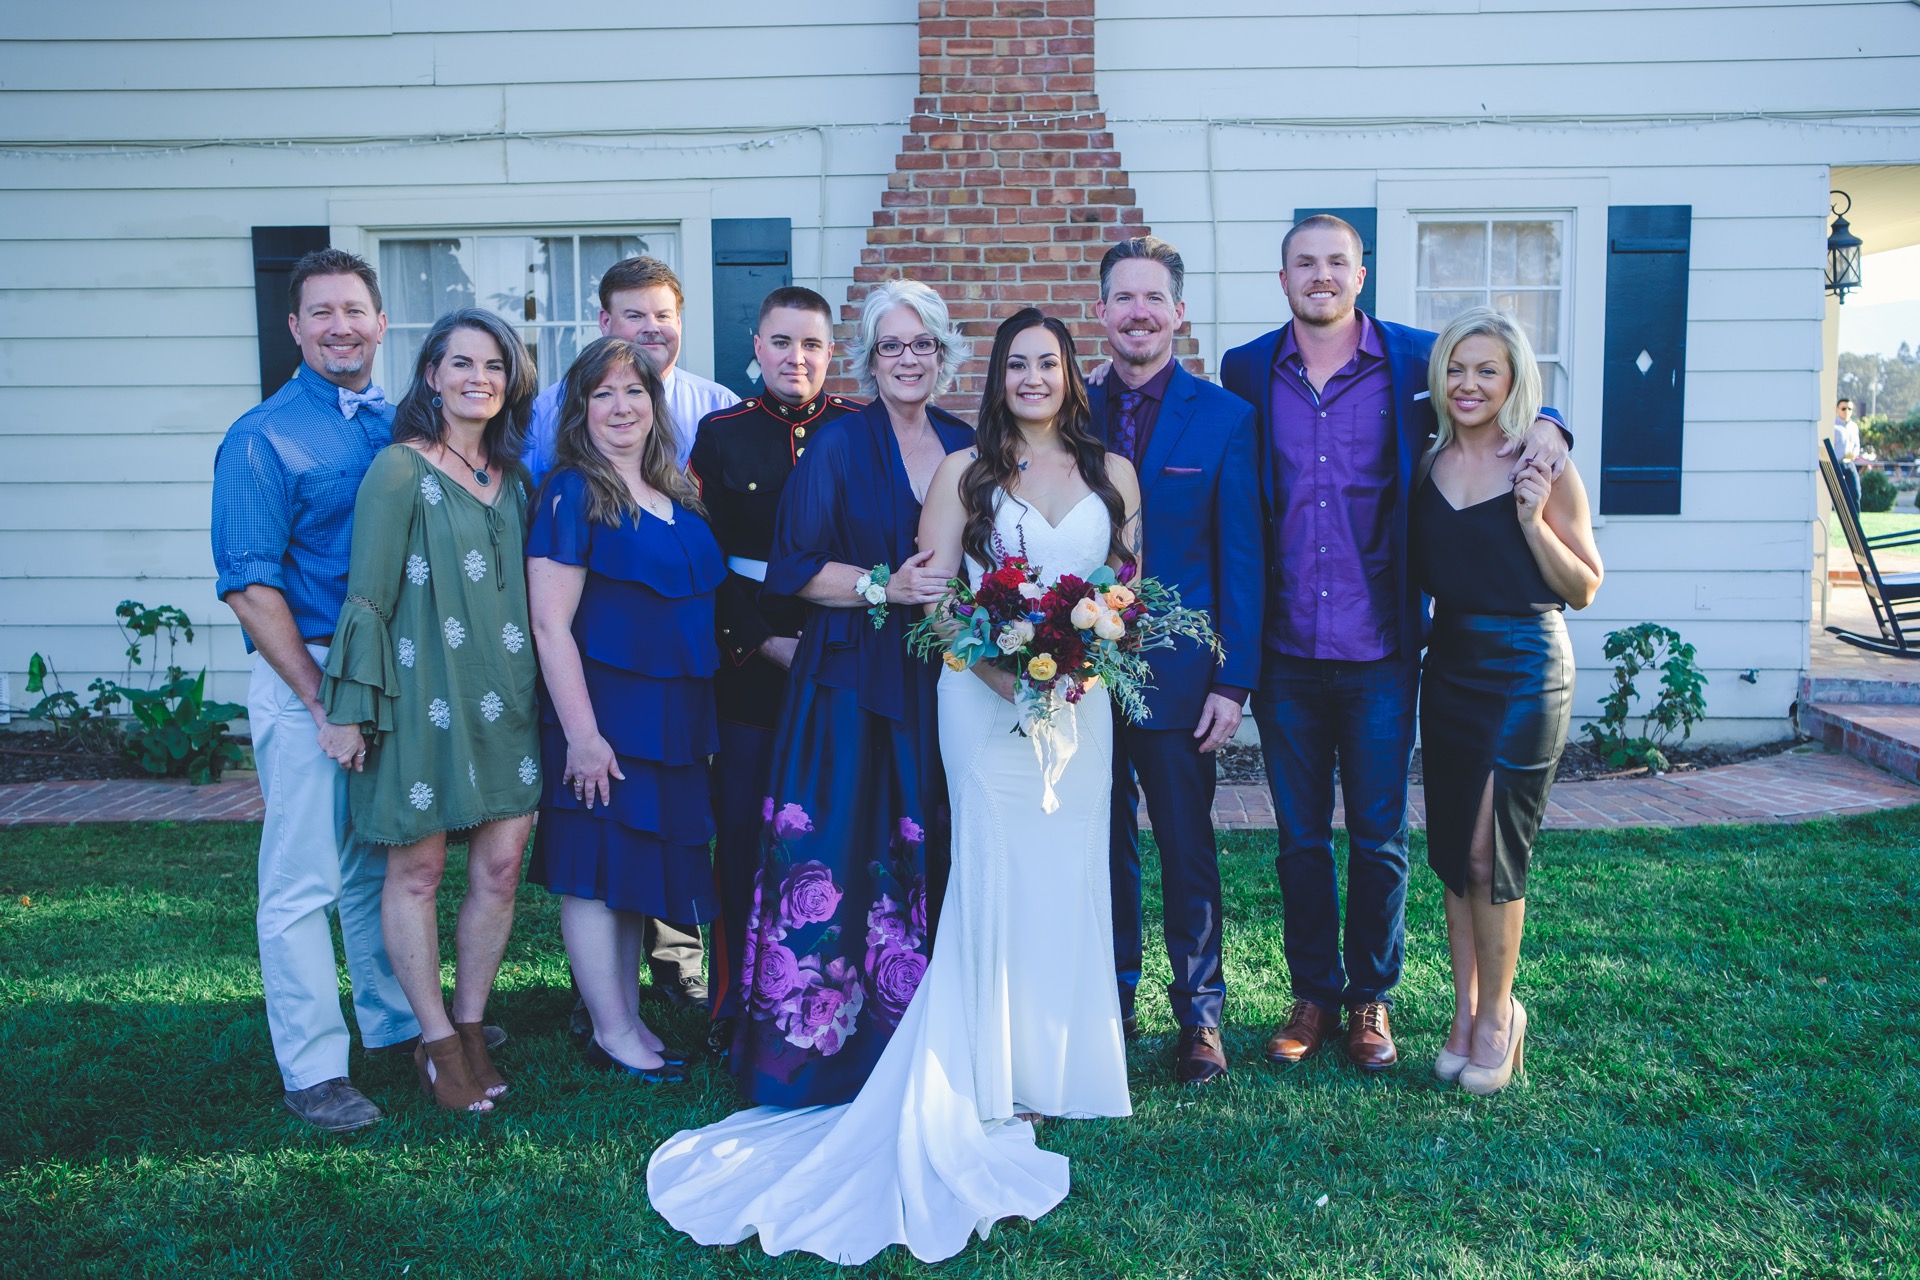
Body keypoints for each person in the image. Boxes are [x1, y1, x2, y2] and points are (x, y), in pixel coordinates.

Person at [648, 307, 1136, 1266]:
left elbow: (1123, 588)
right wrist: (1003, 669)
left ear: (1070, 374)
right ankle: (964, 1058)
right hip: (964, 691)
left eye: (1048, 363)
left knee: (1064, 873)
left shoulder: (1101, 471)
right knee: (973, 868)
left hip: (1077, 705)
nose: (1032, 379)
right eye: (1017, 364)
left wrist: (1089, 657)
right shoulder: (955, 465)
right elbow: (931, 588)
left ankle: (1065, 1057)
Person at [1220, 214, 1570, 1072]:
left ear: (1361, 273)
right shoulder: (1246, 369)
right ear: (1283, 278)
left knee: (1379, 837)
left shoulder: (1417, 359)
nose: (1321, 275)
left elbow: (1496, 375)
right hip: (1286, 649)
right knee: (1300, 838)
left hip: (1382, 648)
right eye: (1305, 263)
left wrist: (1555, 423)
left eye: (1336, 262)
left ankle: (1371, 998)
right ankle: (1313, 994)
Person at [719, 278, 973, 1106]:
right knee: (842, 846)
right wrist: (882, 587)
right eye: (891, 345)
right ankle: (824, 1047)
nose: (908, 359)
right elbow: (793, 570)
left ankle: (934, 1031)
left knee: (938, 839)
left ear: (944, 354)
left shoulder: (967, 445)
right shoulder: (836, 446)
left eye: (923, 343)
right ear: (869, 358)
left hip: (946, 677)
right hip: (848, 680)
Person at [212, 248, 421, 1133]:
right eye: (322, 312)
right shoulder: (261, 436)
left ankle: (393, 1024)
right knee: (302, 876)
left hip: (395, 675)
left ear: (381, 324)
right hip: (312, 670)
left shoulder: (399, 423)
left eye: (355, 310)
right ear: (294, 327)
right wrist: (321, 698)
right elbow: (249, 586)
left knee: (379, 859)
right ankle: (313, 1069)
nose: (341, 327)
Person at [321, 307, 541, 1113]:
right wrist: (348, 710)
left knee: (501, 869)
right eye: (461, 363)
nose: (478, 378)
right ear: (431, 376)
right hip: (419, 698)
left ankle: (472, 1025)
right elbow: (368, 598)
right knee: (416, 872)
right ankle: (436, 1040)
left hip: (509, 700)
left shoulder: (517, 478)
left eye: (494, 365)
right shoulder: (398, 469)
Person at [524, 255, 737, 1017]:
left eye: (634, 392)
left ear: (656, 402)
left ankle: (630, 1019)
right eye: (602, 394)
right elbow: (549, 623)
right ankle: (611, 1026)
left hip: (671, 717)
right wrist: (583, 737)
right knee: (596, 871)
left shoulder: (671, 488)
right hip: (606, 715)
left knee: (637, 869)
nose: (621, 407)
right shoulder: (570, 492)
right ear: (578, 409)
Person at [1412, 308, 1601, 1094]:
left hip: (1527, 664)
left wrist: (1531, 520)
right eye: (1457, 368)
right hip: (1450, 665)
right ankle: (1462, 1016)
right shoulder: (1424, 462)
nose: (1469, 384)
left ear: (1515, 379)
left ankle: (1500, 1017)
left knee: (1493, 851)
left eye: (1487, 370)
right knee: (1456, 854)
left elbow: (1584, 585)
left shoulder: (1541, 461)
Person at [1089, 236, 1263, 1085]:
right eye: (1124, 297)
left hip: (1183, 676)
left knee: (1187, 847)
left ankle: (1200, 1015)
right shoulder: (1066, 410)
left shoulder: (1225, 418)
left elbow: (1244, 557)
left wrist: (1234, 680)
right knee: (1099, 844)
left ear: (1179, 312)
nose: (1139, 313)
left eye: (1154, 298)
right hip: (1078, 672)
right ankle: (1111, 999)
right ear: (1101, 312)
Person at [689, 287, 862, 1055]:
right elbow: (704, 557)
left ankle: (833, 987)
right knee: (743, 838)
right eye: (782, 342)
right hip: (752, 669)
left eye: (812, 344)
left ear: (831, 353)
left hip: (845, 657)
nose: (797, 358)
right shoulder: (720, 436)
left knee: (838, 832)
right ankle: (735, 1000)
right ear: (756, 348)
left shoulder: (860, 428)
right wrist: (762, 643)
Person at [1833, 397, 1863, 512]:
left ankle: (1855, 522)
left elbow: (1857, 445)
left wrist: (1855, 453)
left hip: (1849, 464)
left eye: (1849, 409)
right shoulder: (1833, 426)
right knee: (1834, 496)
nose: (1846, 411)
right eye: (1843, 408)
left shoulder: (1853, 426)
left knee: (1855, 494)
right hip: (1836, 464)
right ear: (1837, 409)